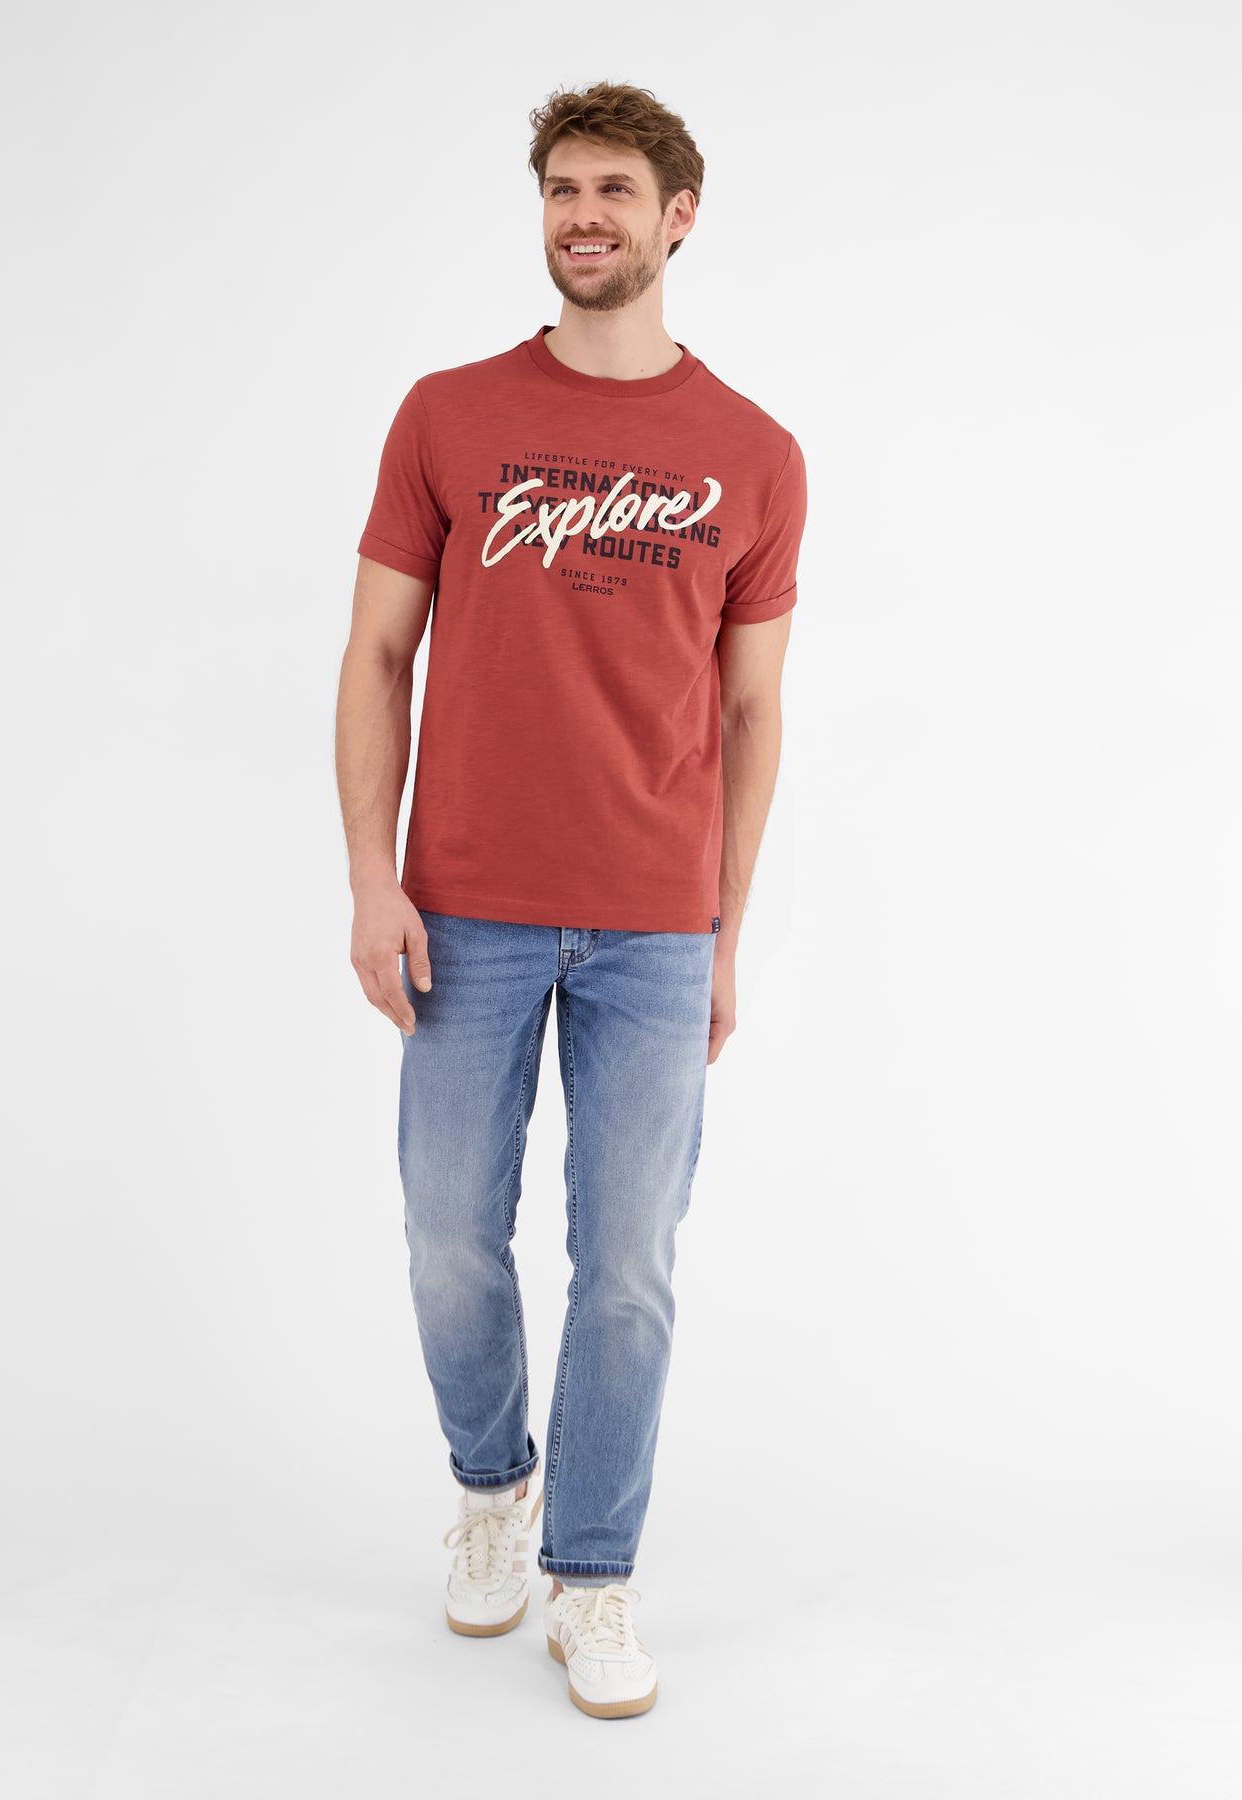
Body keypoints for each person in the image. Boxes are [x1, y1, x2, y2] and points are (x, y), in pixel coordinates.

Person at [334, 80, 808, 1720]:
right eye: (559, 188)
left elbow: (751, 709)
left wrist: (724, 929)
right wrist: (370, 878)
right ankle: (493, 1486)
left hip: (655, 929)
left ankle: (592, 1578)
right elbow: (377, 656)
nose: (581, 215)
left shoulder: (753, 455)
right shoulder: (447, 416)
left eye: (613, 189)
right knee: (447, 1236)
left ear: (679, 216)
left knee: (627, 1267)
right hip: (462, 909)